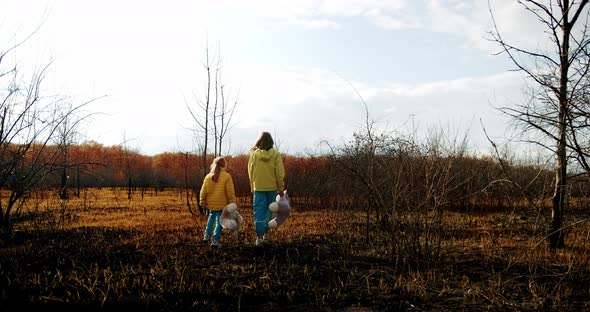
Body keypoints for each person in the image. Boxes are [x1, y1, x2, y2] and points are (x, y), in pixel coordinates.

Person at [248, 132, 285, 247]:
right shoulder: (275, 154)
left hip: (258, 187)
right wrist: (280, 188)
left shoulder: (254, 154)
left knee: (258, 211)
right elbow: (279, 173)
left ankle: (259, 237)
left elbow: (251, 172)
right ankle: (266, 233)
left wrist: (252, 186)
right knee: (269, 210)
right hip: (272, 187)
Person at [199, 156, 237, 248]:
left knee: (211, 219)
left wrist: (202, 200)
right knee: (219, 222)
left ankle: (206, 236)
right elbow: (230, 192)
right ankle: (215, 240)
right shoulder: (227, 177)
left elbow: (203, 190)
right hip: (222, 205)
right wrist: (233, 203)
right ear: (224, 165)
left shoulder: (208, 177)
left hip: (211, 204)